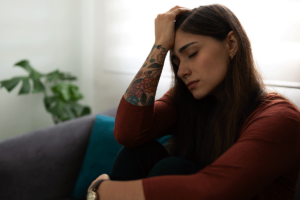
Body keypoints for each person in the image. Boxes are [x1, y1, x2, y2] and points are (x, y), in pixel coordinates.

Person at [87, 4, 300, 200]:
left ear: (231, 44)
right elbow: (128, 133)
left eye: (192, 53)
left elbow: (215, 189)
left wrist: (102, 190)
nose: (182, 71)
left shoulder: (281, 119)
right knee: (140, 154)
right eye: (176, 62)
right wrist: (159, 46)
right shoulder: (186, 101)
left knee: (172, 168)